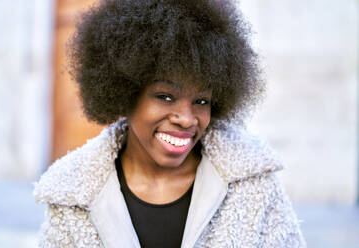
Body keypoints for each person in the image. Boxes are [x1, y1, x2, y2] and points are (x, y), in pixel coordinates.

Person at [34, 0, 306, 247]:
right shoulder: (72, 196)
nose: (186, 119)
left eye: (201, 101)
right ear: (125, 92)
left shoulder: (253, 185)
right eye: (165, 96)